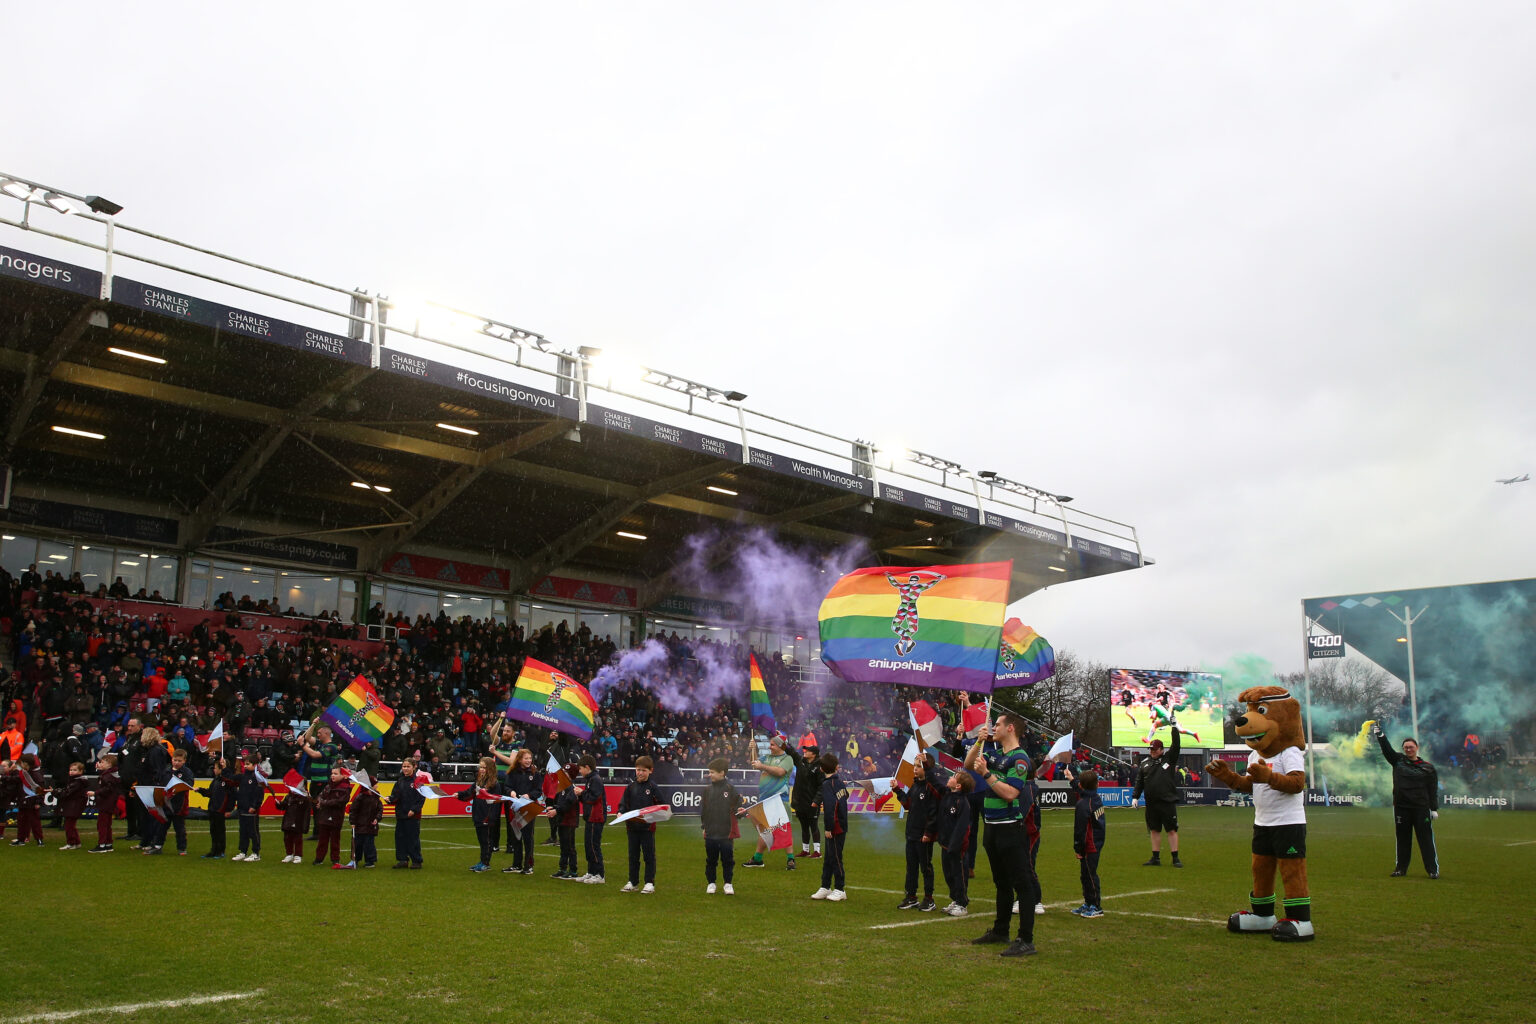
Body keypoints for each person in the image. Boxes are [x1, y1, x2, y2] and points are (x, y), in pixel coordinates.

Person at [964, 713, 1040, 958]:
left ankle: (1025, 939)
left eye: (996, 724)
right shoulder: (994, 753)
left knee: (1022, 884)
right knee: (1001, 883)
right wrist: (978, 742)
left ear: (1010, 728)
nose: (992, 727)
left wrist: (987, 775)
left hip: (1011, 828)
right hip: (992, 827)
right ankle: (1000, 930)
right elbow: (967, 766)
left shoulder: (1019, 758)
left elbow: (1010, 793)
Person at [1375, 725, 1440, 878]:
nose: (1408, 750)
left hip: (1421, 808)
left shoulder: (1428, 768)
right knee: (1403, 840)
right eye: (1406, 747)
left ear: (1417, 748)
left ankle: (1432, 870)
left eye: (1411, 747)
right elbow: (1387, 751)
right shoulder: (1398, 761)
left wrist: (1434, 808)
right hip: (1402, 807)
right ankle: (1400, 869)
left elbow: (1433, 789)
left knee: (1425, 840)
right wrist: (1381, 736)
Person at [896, 751, 942, 911]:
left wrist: (928, 833)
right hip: (911, 833)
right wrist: (897, 790)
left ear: (926, 768)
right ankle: (911, 896)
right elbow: (908, 804)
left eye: (918, 766)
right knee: (911, 867)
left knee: (926, 867)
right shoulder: (915, 785)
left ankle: (929, 899)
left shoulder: (932, 787)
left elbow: (933, 813)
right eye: (914, 766)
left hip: (924, 836)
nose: (915, 769)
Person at [743, 734, 795, 870]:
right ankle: (758, 858)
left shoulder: (787, 759)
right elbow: (755, 764)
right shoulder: (767, 757)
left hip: (779, 799)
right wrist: (752, 750)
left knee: (782, 828)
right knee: (765, 828)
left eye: (772, 744)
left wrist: (763, 767)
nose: (769, 747)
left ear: (780, 746)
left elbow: (780, 772)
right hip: (765, 799)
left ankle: (790, 859)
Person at [1132, 731, 1183, 867]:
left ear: (1162, 750)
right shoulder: (1145, 763)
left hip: (1167, 801)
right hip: (1151, 803)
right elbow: (1139, 781)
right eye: (1151, 749)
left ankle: (1175, 857)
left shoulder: (1169, 759)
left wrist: (1174, 729)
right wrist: (1135, 797)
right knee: (1154, 830)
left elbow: (1176, 745)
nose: (1153, 751)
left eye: (1155, 749)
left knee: (1171, 830)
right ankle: (1156, 857)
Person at [618, 755, 663, 893]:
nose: (640, 773)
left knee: (648, 856)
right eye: (638, 770)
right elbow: (623, 804)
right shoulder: (631, 786)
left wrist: (650, 816)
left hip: (647, 828)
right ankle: (633, 881)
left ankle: (649, 882)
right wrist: (620, 812)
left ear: (650, 771)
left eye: (643, 770)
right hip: (632, 827)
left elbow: (661, 806)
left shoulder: (653, 787)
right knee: (633, 856)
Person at [699, 756, 741, 895]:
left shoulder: (730, 789)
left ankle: (728, 884)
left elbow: (737, 808)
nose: (709, 775)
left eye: (712, 772)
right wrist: (704, 826)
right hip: (710, 832)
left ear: (722, 772)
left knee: (727, 859)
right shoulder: (707, 790)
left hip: (726, 833)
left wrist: (740, 811)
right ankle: (711, 883)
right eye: (709, 772)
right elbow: (704, 810)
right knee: (711, 859)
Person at [810, 752, 849, 901]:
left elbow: (830, 807)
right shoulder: (838, 782)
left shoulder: (827, 785)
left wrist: (828, 828)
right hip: (841, 825)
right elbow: (846, 796)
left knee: (836, 858)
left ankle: (840, 888)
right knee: (829, 857)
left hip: (836, 827)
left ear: (821, 769)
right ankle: (825, 886)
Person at [1069, 767, 1106, 917]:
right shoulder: (1094, 798)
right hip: (1096, 842)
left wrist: (1079, 849)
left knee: (1090, 875)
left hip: (1090, 845)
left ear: (1081, 786)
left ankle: (1096, 905)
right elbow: (1084, 789)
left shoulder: (1084, 804)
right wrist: (1071, 779)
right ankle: (1088, 902)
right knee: (1085, 875)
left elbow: (1080, 830)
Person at [936, 771, 974, 916]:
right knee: (949, 875)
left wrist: (954, 845)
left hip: (957, 847)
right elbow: (934, 780)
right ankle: (955, 899)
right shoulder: (947, 796)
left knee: (959, 875)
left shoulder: (962, 802)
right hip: (945, 845)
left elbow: (961, 827)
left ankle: (962, 903)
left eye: (953, 777)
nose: (950, 777)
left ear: (958, 785)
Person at [502, 748, 541, 875]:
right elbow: (506, 787)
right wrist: (511, 792)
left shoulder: (535, 772)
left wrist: (529, 795)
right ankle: (516, 864)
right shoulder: (512, 772)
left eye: (530, 758)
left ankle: (529, 865)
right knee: (516, 836)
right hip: (515, 807)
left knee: (528, 837)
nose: (528, 761)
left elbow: (538, 791)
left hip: (529, 808)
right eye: (526, 758)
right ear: (519, 759)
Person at [197, 756, 237, 859]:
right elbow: (211, 793)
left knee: (220, 831)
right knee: (213, 831)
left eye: (215, 768)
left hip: (221, 809)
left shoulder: (228, 781)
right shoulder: (216, 780)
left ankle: (221, 851)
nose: (214, 770)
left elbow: (232, 796)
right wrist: (201, 790)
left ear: (221, 768)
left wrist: (229, 809)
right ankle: (213, 850)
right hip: (213, 808)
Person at [389, 756, 425, 868]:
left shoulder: (418, 781)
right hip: (400, 814)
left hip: (412, 815)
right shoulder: (399, 781)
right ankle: (402, 859)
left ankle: (416, 860)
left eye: (408, 766)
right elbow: (395, 796)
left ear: (414, 767)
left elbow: (421, 798)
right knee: (400, 837)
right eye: (404, 766)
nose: (405, 769)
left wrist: (414, 810)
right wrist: (390, 799)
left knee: (412, 838)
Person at [576, 754, 606, 884]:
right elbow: (587, 798)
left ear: (587, 767)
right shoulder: (590, 779)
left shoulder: (596, 780)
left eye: (581, 768)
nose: (579, 771)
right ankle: (591, 871)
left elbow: (593, 798)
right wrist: (581, 795)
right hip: (590, 817)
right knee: (588, 846)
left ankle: (600, 874)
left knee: (594, 846)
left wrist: (581, 793)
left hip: (596, 817)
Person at [314, 764, 351, 867]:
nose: (332, 776)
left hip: (336, 817)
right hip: (324, 815)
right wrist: (320, 801)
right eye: (332, 773)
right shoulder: (329, 785)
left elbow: (340, 801)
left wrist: (323, 803)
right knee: (322, 839)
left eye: (335, 773)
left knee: (335, 840)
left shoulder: (345, 788)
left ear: (343, 775)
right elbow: (321, 795)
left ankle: (335, 859)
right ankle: (319, 858)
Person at [791, 742, 823, 859]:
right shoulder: (801, 762)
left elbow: (821, 786)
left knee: (813, 826)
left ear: (814, 754)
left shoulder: (820, 767)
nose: (805, 752)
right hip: (800, 801)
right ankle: (805, 850)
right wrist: (782, 741)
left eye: (808, 751)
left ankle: (817, 851)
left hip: (812, 802)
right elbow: (792, 752)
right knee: (804, 826)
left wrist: (817, 801)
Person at [468, 756, 499, 872]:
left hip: (487, 817)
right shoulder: (478, 781)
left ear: (490, 769)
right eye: (480, 767)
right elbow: (469, 793)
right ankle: (482, 861)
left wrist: (490, 817)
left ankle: (486, 862)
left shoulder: (494, 784)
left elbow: (496, 802)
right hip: (478, 815)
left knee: (486, 841)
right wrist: (459, 795)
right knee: (481, 840)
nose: (481, 770)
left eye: (484, 768)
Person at [160, 749, 194, 856]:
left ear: (184, 761)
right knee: (161, 827)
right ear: (171, 759)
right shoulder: (166, 771)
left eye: (179, 761)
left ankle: (182, 848)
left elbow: (190, 784)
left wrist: (178, 786)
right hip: (166, 803)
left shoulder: (186, 772)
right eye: (175, 760)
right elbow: (161, 783)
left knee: (179, 828)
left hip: (180, 804)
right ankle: (157, 845)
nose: (176, 762)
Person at [233, 751, 265, 862]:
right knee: (243, 831)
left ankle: (256, 853)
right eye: (245, 764)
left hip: (251, 810)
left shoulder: (258, 778)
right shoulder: (243, 777)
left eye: (248, 764)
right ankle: (243, 851)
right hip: (242, 808)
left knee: (253, 831)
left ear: (255, 765)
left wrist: (254, 806)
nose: (245, 766)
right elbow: (230, 778)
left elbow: (259, 794)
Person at [348, 774, 384, 868]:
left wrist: (377, 818)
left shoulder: (376, 796)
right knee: (358, 843)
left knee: (369, 844)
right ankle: (355, 859)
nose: (377, 785)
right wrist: (352, 822)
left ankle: (370, 860)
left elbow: (380, 809)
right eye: (375, 784)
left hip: (370, 825)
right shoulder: (360, 797)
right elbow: (353, 810)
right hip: (360, 825)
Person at [88, 752, 121, 853]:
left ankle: (102, 844)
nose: (100, 764)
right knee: (107, 824)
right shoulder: (111, 774)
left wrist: (95, 793)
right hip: (109, 802)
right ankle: (108, 843)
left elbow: (107, 789)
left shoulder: (107, 776)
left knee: (102, 824)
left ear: (109, 764)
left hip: (105, 803)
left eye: (102, 762)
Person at [551, 774, 582, 879]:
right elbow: (561, 804)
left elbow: (567, 804)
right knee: (564, 846)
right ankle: (562, 868)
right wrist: (554, 807)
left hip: (569, 821)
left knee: (570, 846)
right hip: (563, 820)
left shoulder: (572, 788)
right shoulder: (563, 787)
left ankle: (573, 870)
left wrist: (556, 810)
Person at [278, 777, 314, 864]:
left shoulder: (305, 798)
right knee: (287, 838)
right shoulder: (289, 796)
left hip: (298, 821)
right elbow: (283, 806)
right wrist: (278, 804)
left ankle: (298, 855)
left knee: (298, 838)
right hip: (288, 820)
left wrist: (305, 826)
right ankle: (289, 854)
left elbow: (307, 812)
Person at [56, 761, 89, 850]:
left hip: (73, 806)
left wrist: (56, 792)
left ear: (81, 771)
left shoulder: (78, 782)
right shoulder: (75, 781)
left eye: (74, 770)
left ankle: (71, 843)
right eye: (71, 770)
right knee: (71, 825)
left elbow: (67, 793)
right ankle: (76, 842)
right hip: (73, 806)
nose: (71, 772)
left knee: (69, 826)